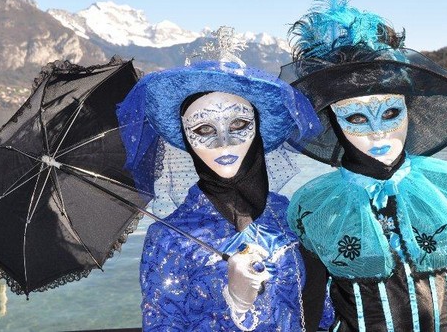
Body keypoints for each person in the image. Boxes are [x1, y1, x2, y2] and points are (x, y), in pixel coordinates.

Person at [280, 0, 447, 332]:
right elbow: (312, 298)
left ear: (409, 111)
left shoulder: (446, 187)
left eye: (391, 112)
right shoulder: (318, 205)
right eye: (357, 118)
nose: (378, 132)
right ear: (335, 122)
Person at [116, 27, 331, 331]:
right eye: (203, 129)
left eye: (239, 123)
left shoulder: (290, 215)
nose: (223, 142)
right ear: (186, 139)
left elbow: (323, 315)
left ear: (257, 128)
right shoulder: (169, 238)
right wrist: (235, 302)